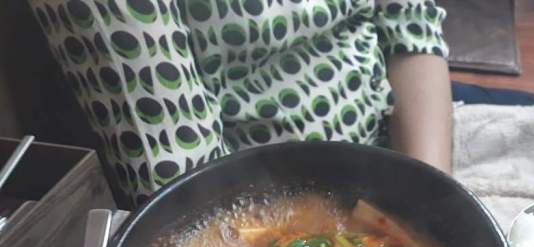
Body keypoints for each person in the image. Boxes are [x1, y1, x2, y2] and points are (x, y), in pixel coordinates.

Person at [28, 0, 453, 206]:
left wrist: (430, 199)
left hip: (400, 145)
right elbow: (179, 174)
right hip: (258, 212)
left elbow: (410, 23)